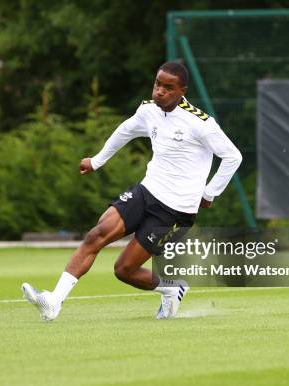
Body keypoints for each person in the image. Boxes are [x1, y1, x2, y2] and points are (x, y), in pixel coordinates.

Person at [22, 61, 242, 321]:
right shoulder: (148, 111)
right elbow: (125, 131)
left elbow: (232, 156)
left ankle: (172, 289)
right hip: (146, 191)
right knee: (96, 235)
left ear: (182, 91)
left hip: (176, 210)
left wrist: (209, 194)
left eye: (168, 87)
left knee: (124, 270)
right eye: (158, 84)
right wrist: (96, 161)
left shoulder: (201, 123)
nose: (160, 91)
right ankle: (53, 301)